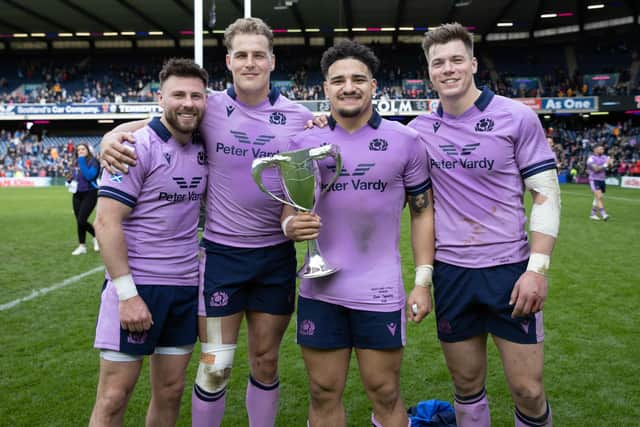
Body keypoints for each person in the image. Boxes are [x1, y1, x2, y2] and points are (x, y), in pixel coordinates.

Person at [98, 18, 315, 427]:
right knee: (215, 365)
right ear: (229, 61)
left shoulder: (300, 116)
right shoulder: (208, 105)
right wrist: (109, 137)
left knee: (266, 362)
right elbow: (153, 126)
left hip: (274, 259)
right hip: (220, 259)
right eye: (242, 55)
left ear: (272, 59)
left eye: (259, 55)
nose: (250, 63)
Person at [407, 23, 560, 427]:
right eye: (438, 63)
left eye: (457, 59)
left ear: (473, 63)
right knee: (466, 384)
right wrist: (324, 124)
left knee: (528, 389)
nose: (448, 69)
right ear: (429, 72)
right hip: (453, 273)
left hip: (510, 272)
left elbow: (545, 194)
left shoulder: (516, 117)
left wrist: (537, 270)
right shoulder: (418, 132)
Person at [283, 40, 435, 427]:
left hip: (379, 290)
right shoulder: (303, 143)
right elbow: (289, 209)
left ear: (373, 86)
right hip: (320, 290)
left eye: (357, 79)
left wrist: (422, 281)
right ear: (325, 89)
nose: (348, 87)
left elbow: (422, 213)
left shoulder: (406, 141)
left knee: (385, 393)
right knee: (322, 392)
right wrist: (290, 225)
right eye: (338, 80)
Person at [89, 58, 209, 427]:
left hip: (186, 286)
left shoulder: (206, 141)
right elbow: (106, 222)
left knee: (171, 392)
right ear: (159, 98)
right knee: (113, 397)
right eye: (178, 95)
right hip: (138, 287)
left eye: (196, 95)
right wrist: (127, 295)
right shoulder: (133, 147)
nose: (187, 102)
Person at [66, 142, 100, 255]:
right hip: (77, 193)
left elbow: (89, 176)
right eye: (78, 150)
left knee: (81, 220)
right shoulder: (75, 162)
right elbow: (73, 177)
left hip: (90, 193)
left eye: (83, 149)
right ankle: (82, 246)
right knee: (80, 222)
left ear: (88, 150)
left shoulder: (93, 161)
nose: (80, 151)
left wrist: (81, 161)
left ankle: (97, 237)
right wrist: (69, 178)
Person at [586, 144, 610, 220]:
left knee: (597, 198)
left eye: (603, 149)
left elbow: (611, 164)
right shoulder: (591, 159)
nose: (602, 150)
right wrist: (606, 164)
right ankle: (604, 214)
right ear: (595, 150)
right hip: (594, 180)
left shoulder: (604, 157)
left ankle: (592, 214)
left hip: (602, 180)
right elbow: (596, 169)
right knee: (599, 197)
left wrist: (609, 162)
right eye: (600, 149)